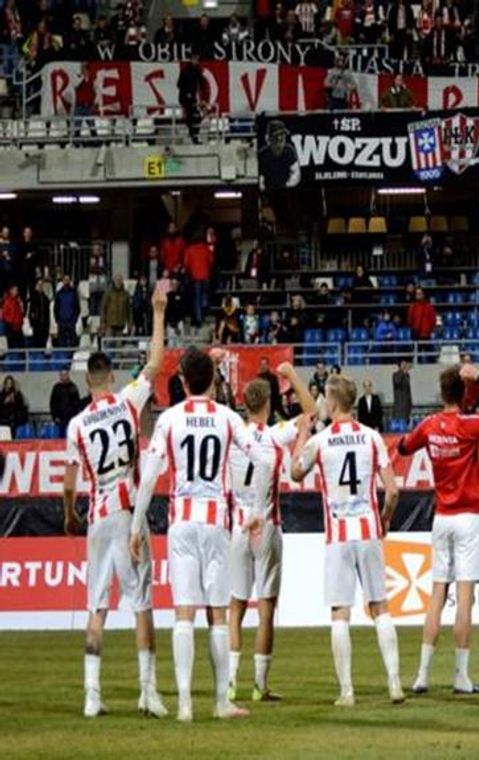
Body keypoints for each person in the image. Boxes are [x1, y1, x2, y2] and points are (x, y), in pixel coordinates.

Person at [130, 348, 275, 722]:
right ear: (213, 379)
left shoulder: (170, 420)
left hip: (181, 522)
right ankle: (221, 701)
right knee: (218, 614)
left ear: (181, 381)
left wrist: (136, 525)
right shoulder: (227, 418)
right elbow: (265, 459)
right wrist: (257, 510)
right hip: (216, 524)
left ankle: (183, 702)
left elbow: (148, 475)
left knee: (183, 614)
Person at [62, 289, 167, 719]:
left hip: (98, 515)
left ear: (88, 382)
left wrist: (70, 514)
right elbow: (156, 364)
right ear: (111, 377)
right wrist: (158, 312)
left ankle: (91, 695)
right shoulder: (128, 402)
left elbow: (69, 482)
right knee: (141, 603)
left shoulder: (76, 423)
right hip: (128, 513)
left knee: (96, 607)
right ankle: (148, 692)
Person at [398, 365, 479, 695]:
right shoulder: (468, 425)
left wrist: (426, 441)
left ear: (441, 393)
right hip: (469, 517)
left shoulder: (430, 425)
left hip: (442, 516)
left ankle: (421, 674)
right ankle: (460, 676)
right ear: (462, 394)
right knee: (465, 598)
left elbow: (405, 447)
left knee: (437, 595)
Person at [291, 375, 404, 706]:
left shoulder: (322, 441)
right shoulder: (371, 437)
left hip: (338, 534)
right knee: (380, 607)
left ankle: (347, 691)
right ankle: (395, 684)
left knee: (341, 612)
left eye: (326, 398)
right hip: (368, 529)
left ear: (334, 401)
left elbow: (295, 473)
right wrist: (384, 518)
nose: (323, 403)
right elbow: (393, 490)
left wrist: (301, 435)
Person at [225, 364, 316, 704]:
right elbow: (311, 412)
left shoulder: (232, 436)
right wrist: (291, 375)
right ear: (267, 403)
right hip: (266, 526)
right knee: (265, 608)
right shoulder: (276, 433)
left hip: (237, 528)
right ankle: (259, 685)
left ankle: (230, 681)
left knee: (235, 607)